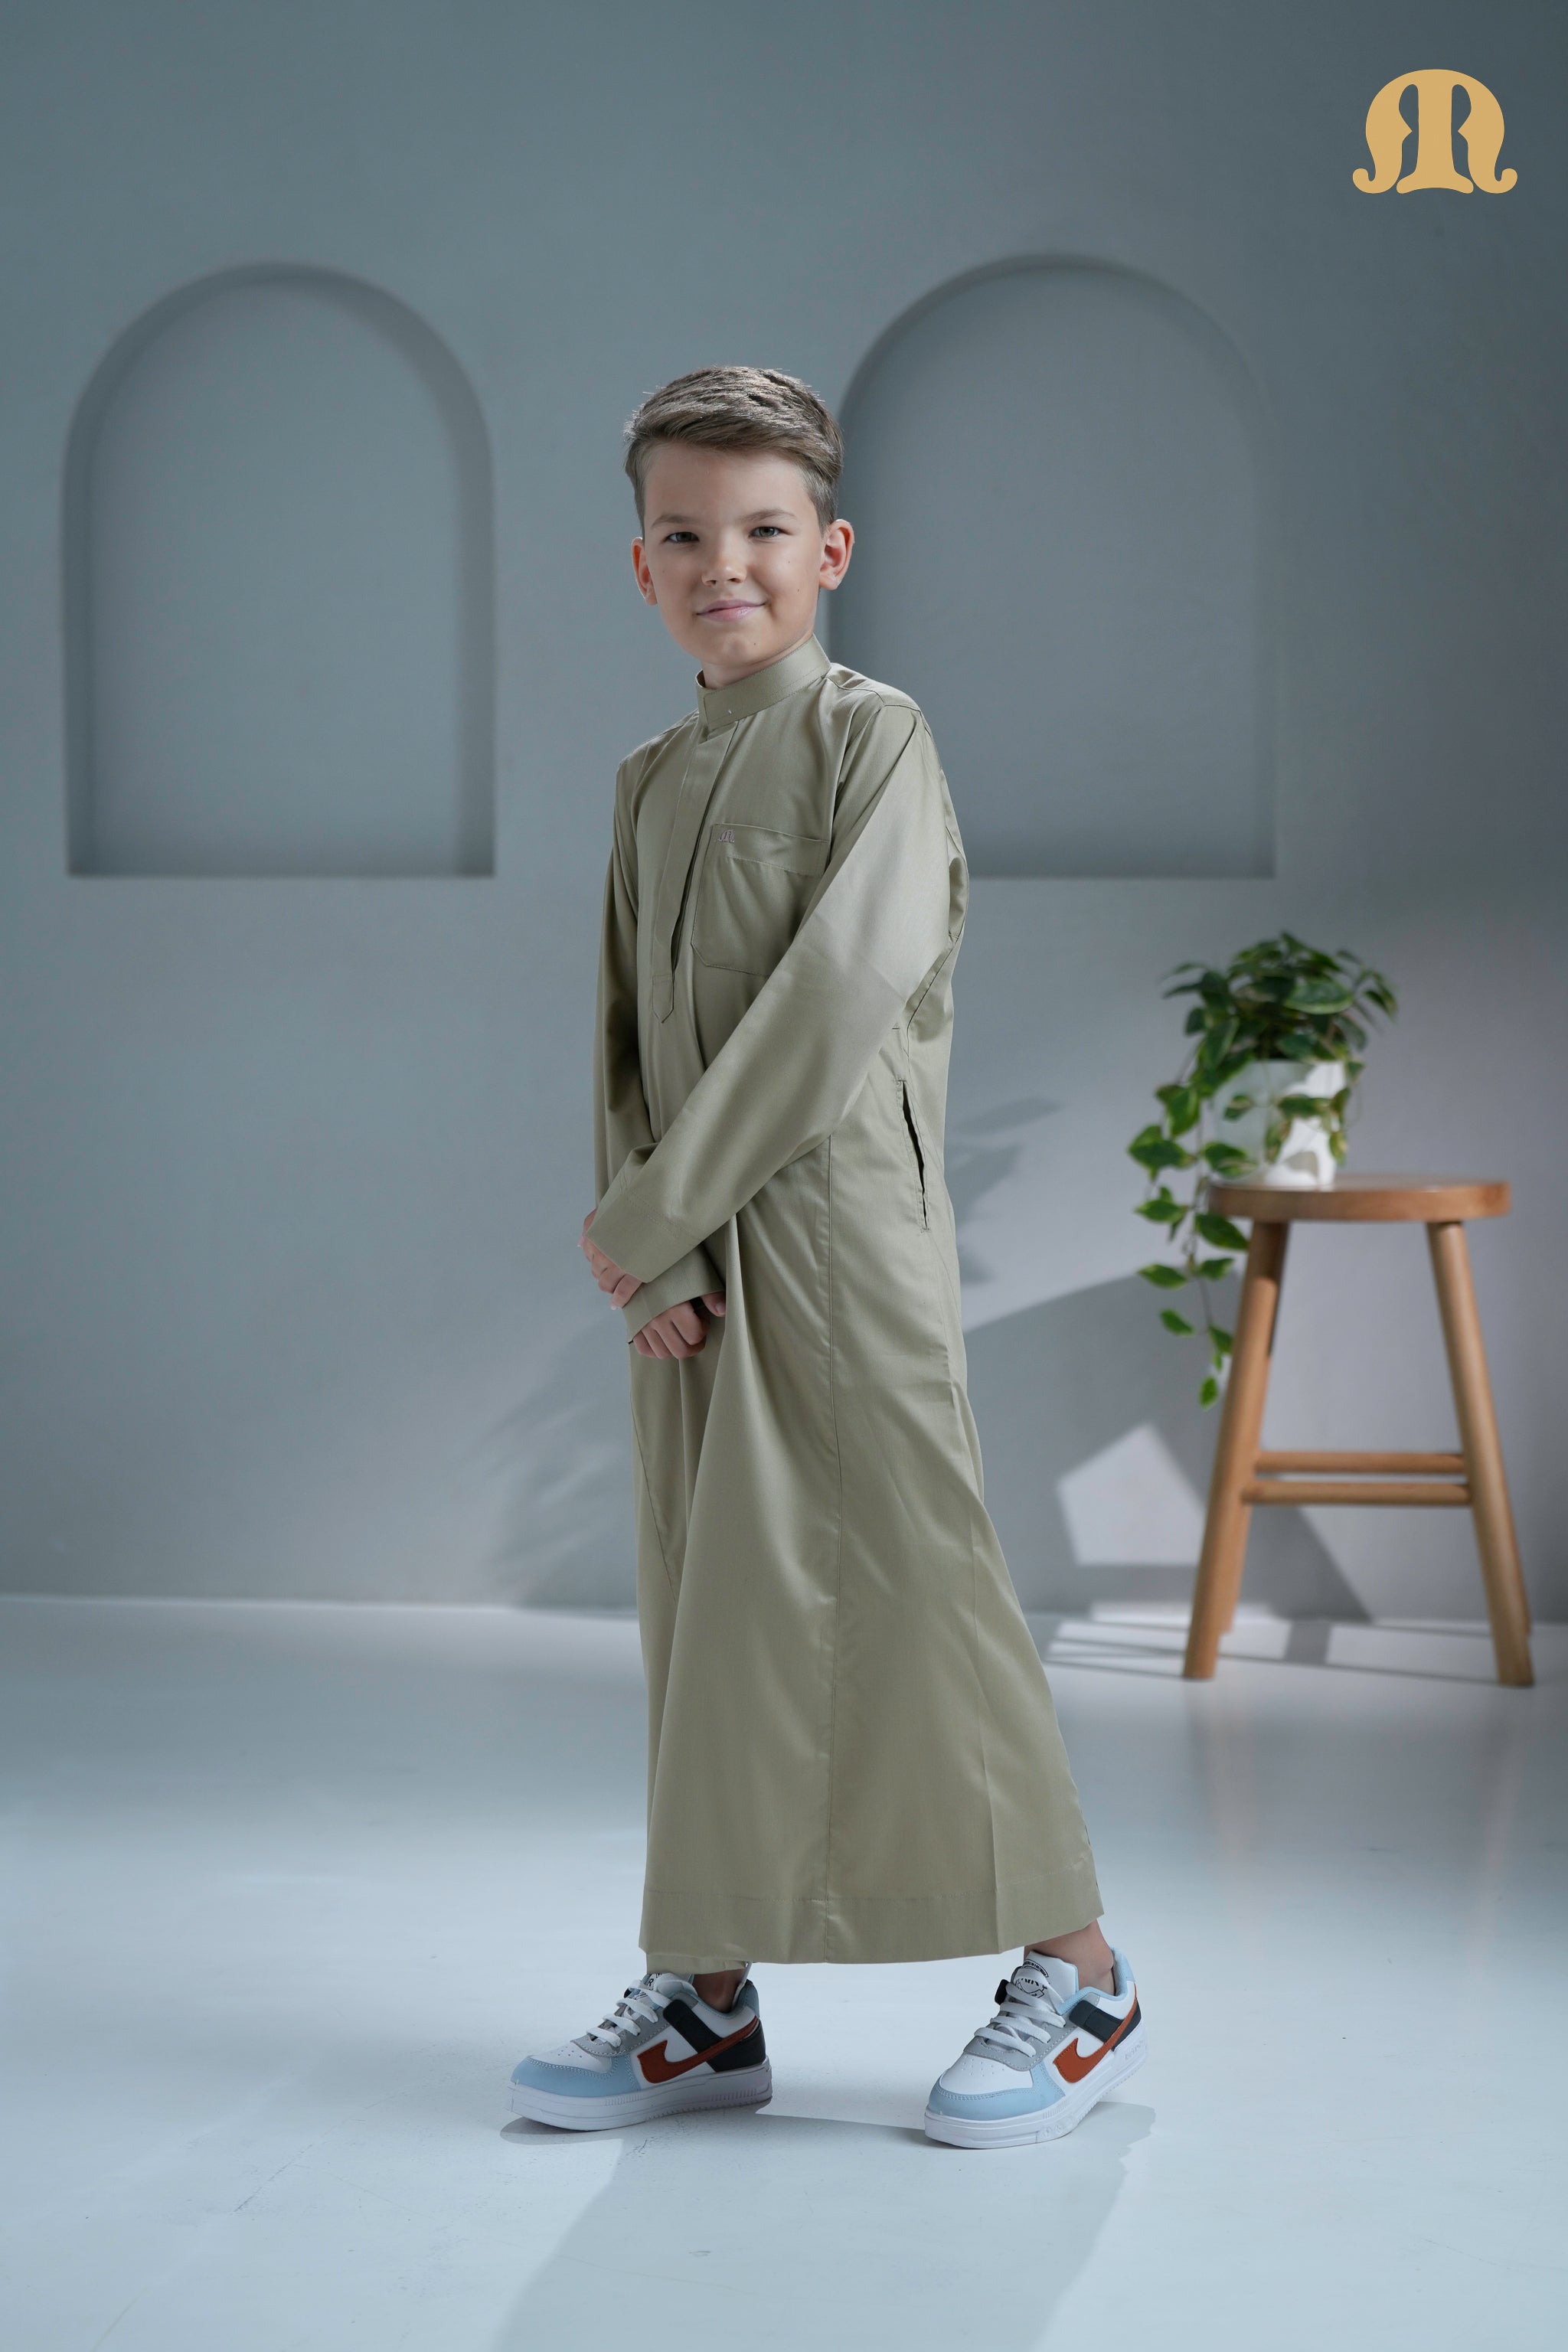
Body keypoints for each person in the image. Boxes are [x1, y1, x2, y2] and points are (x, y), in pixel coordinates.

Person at [508, 367, 1145, 2149]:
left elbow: (834, 1001)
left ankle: (1084, 1975)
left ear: (830, 550)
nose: (725, 563)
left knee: (918, 1589)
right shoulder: (650, 780)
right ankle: (706, 1998)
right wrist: (647, 1255)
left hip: (840, 1245)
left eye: (764, 530)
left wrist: (650, 1218)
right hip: (690, 1266)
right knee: (706, 1607)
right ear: (640, 565)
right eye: (685, 534)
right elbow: (622, 1042)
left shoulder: (876, 741)